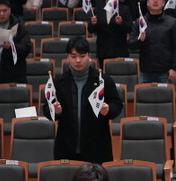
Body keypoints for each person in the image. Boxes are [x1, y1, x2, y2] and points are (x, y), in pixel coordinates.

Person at [42, 36, 123, 164]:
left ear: (89, 56)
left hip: (97, 146)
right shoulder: (58, 82)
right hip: (66, 147)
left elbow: (117, 105)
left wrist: (108, 110)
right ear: (67, 57)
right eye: (73, 56)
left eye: (82, 56)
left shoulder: (103, 80)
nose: (78, 60)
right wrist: (55, 111)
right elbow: (46, 108)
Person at [131, 0, 176, 84]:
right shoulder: (140, 22)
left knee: (166, 94)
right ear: (147, 3)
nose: (155, 1)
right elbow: (131, 45)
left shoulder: (173, 22)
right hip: (145, 71)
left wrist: (175, 68)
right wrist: (139, 40)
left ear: (163, 3)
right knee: (144, 94)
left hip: (166, 71)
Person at [0, 0, 31, 85]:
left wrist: (12, 47)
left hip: (12, 74)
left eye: (4, 11)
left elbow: (26, 48)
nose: (1, 14)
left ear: (10, 10)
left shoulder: (19, 27)